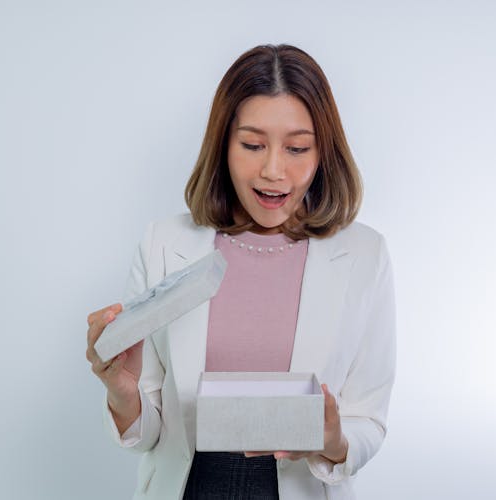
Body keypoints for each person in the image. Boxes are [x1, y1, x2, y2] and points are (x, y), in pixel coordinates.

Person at [85, 44, 396, 500]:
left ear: (323, 152)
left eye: (297, 148)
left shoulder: (365, 255)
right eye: (252, 145)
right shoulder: (163, 244)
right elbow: (149, 434)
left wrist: (333, 440)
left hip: (299, 487)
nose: (273, 170)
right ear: (223, 143)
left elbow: (369, 419)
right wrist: (123, 393)